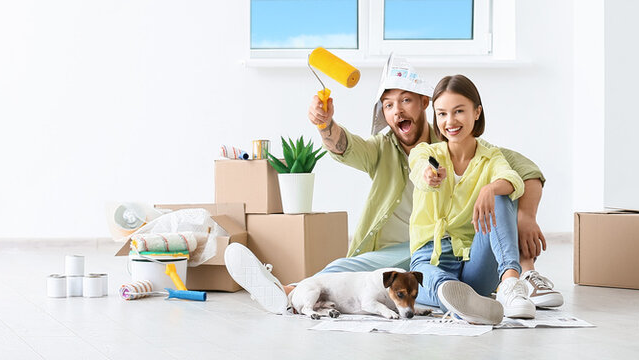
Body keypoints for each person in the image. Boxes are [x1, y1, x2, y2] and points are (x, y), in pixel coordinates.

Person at [224, 55, 562, 315]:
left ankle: (505, 286)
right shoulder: (403, 150)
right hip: (412, 251)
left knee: (499, 196)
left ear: (424, 104)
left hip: (459, 247)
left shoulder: (474, 146)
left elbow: (525, 171)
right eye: (388, 105)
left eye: (405, 101)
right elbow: (349, 147)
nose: (397, 110)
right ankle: (285, 291)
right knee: (346, 269)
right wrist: (326, 124)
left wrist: (526, 217)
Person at [408, 74, 531, 324]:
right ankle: (459, 298)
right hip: (431, 257)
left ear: (477, 112)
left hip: (475, 262)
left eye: (458, 111)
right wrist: (428, 175)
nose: (450, 121)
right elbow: (419, 168)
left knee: (502, 193)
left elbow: (514, 180)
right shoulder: (427, 152)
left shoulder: (491, 157)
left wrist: (489, 189)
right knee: (425, 279)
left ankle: (509, 284)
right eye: (441, 114)